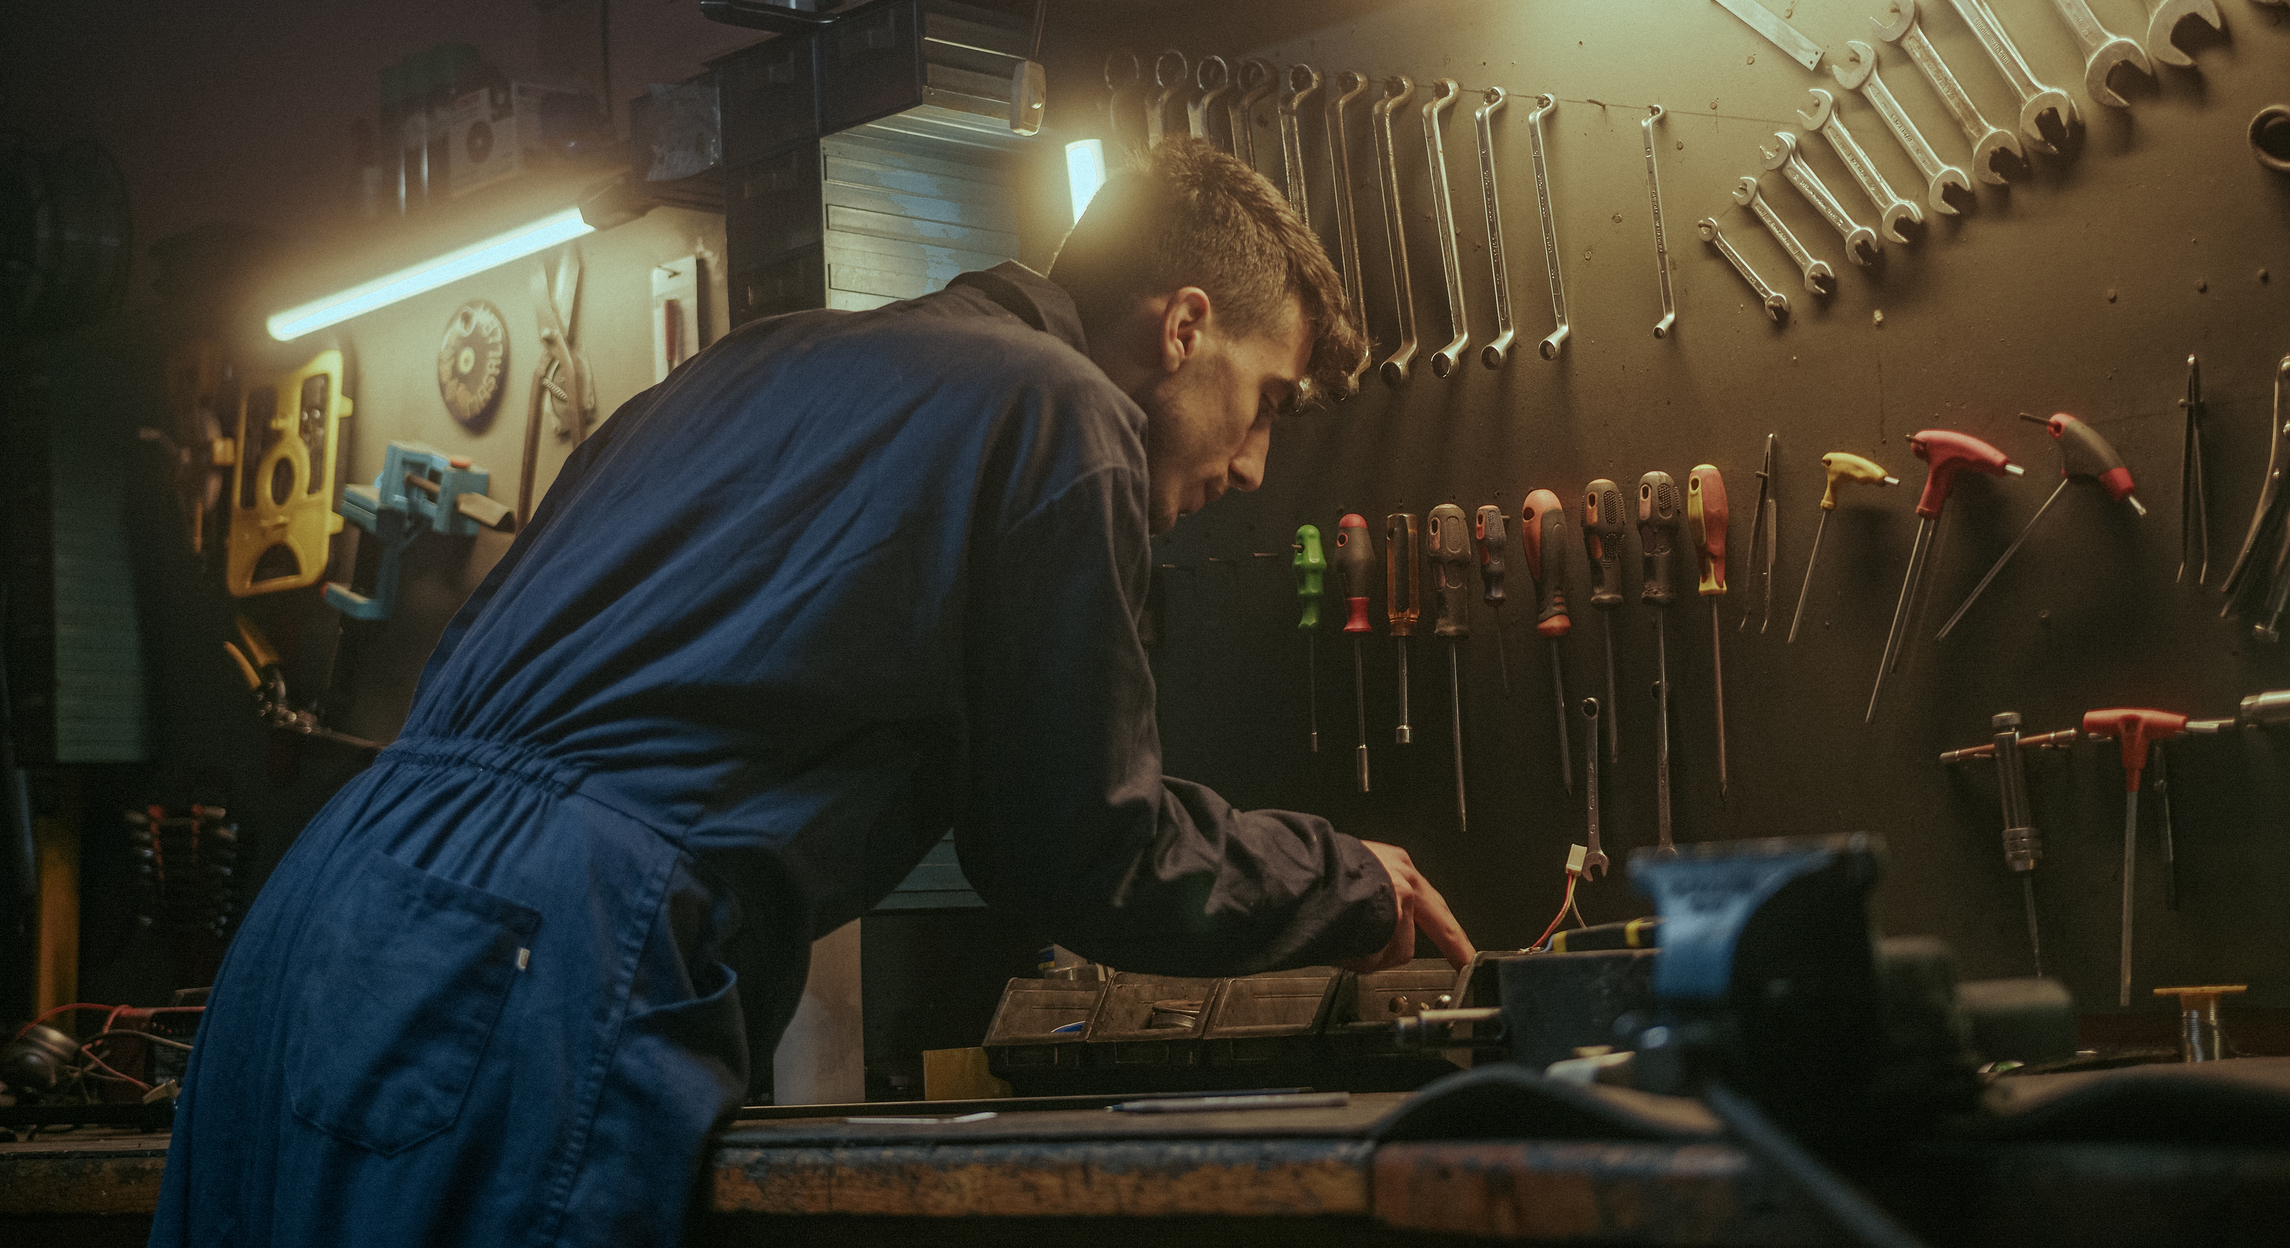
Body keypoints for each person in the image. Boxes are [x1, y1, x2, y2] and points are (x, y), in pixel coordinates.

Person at [150, 137, 1474, 1248]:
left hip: (319, 911)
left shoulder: (760, 359)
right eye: (1269, 402)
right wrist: (1347, 879)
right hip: (536, 949)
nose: (1253, 467)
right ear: (1186, 324)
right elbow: (1077, 848)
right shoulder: (1063, 417)